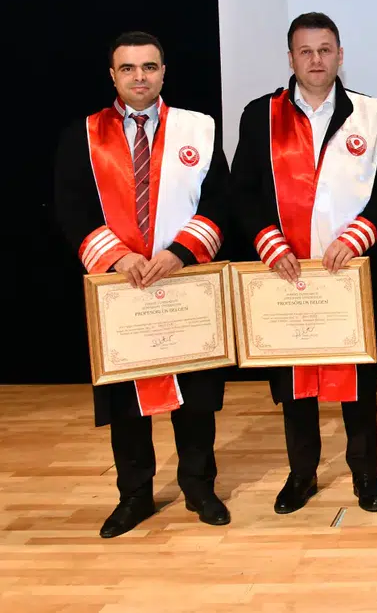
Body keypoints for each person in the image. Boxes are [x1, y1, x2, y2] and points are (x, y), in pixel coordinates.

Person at [54, 31, 232, 537]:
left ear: (163, 72)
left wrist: (178, 253)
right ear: (112, 75)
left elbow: (219, 201)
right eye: (128, 69)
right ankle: (134, 494)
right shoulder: (83, 134)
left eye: (149, 67)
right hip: (120, 288)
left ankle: (199, 485)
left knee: (195, 396)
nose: (139, 77)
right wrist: (119, 258)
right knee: (126, 398)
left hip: (184, 280)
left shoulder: (197, 129)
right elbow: (71, 208)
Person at [229, 12, 377, 515]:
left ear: (340, 55)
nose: (316, 60)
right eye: (306, 51)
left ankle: (365, 474)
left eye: (325, 50)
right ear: (290, 59)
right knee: (293, 381)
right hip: (286, 272)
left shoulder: (372, 114)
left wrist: (359, 235)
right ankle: (301, 473)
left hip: (349, 273)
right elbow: (243, 191)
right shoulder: (259, 114)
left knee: (358, 383)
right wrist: (269, 242)